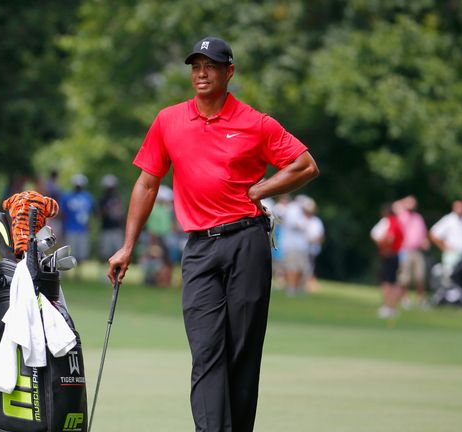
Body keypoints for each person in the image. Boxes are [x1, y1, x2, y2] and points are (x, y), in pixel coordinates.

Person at [107, 37, 318, 432]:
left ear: (229, 72)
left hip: (247, 242)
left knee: (242, 351)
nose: (201, 73)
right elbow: (146, 184)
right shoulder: (169, 120)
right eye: (195, 66)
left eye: (211, 66)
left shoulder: (256, 123)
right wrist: (127, 246)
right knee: (206, 351)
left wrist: (260, 190)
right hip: (200, 248)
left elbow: (305, 166)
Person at [393, 195, 430, 308]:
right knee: (405, 277)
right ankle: (405, 299)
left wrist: (425, 242)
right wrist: (405, 201)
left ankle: (421, 299)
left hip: (417, 250)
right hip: (404, 250)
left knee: (420, 276)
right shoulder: (401, 215)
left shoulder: (418, 218)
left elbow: (423, 233)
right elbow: (395, 205)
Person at [371, 204, 405, 319]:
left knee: (386, 282)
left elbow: (389, 237)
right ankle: (393, 308)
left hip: (389, 254)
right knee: (394, 282)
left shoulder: (388, 221)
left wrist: (384, 247)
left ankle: (387, 307)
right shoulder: (398, 222)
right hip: (396, 255)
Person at [430, 200, 462, 273]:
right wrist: (443, 247)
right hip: (452, 255)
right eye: (458, 207)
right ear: (453, 208)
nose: (460, 209)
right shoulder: (448, 219)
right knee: (450, 277)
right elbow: (433, 233)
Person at [59, 174, 95, 268]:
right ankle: (67, 271)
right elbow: (62, 214)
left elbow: (91, 212)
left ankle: (78, 273)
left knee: (81, 254)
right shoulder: (67, 196)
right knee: (69, 253)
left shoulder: (88, 197)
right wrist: (63, 228)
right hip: (70, 228)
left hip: (83, 229)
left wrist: (90, 224)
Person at [98, 174, 125, 261]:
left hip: (116, 228)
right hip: (107, 228)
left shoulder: (117, 198)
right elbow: (101, 214)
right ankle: (104, 272)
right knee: (105, 253)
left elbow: (121, 214)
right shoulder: (103, 199)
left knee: (117, 252)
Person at [302, 196, 324, 292]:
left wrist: (313, 240)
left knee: (309, 266)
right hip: (301, 247)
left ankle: (308, 284)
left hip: (312, 248)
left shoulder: (316, 221)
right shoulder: (301, 219)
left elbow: (320, 236)